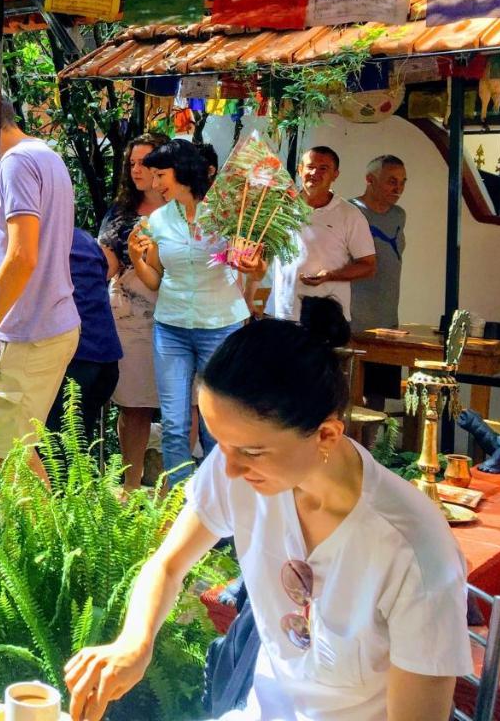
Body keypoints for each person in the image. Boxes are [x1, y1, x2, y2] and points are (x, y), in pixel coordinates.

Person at [64, 298, 472, 721]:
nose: (229, 468)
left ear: (327, 435)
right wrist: (135, 643)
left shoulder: (414, 551)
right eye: (218, 443)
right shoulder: (238, 472)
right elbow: (167, 566)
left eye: (252, 452)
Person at [0, 85, 80, 482]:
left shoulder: (14, 162)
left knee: (4, 456)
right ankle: (44, 541)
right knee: (13, 452)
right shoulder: (46, 154)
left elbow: (22, 257)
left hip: (32, 333)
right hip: (45, 324)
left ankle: (46, 545)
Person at [129, 139, 257, 483]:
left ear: (183, 171)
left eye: (160, 175)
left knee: (217, 424)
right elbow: (155, 279)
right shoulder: (157, 220)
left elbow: (251, 266)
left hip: (219, 326)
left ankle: (219, 505)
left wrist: (251, 265)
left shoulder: (227, 213)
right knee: (174, 423)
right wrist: (135, 258)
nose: (155, 185)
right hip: (170, 328)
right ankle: (183, 507)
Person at [99, 133, 168, 489]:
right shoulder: (121, 210)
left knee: (180, 407)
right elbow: (105, 260)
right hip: (129, 312)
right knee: (134, 401)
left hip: (177, 309)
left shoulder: (186, 207)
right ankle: (131, 483)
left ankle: (175, 491)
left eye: (145, 162)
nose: (137, 169)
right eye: (132, 163)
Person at [266, 146, 376, 323]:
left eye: (323, 168)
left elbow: (368, 265)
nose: (315, 172)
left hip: (325, 320)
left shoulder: (350, 214)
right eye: (310, 167)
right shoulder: (280, 208)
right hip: (281, 312)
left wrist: (331, 275)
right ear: (300, 170)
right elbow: (263, 255)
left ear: (335, 175)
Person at [46, 227, 122, 449]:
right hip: (106, 356)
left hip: (75, 357)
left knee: (55, 445)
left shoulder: (48, 241)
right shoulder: (87, 240)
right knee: (80, 440)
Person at [349, 156, 408, 408]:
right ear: (370, 180)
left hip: (387, 321)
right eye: (391, 181)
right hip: (354, 322)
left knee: (377, 400)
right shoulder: (349, 212)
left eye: (403, 182)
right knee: (350, 398)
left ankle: (372, 449)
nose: (398, 188)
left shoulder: (398, 215)